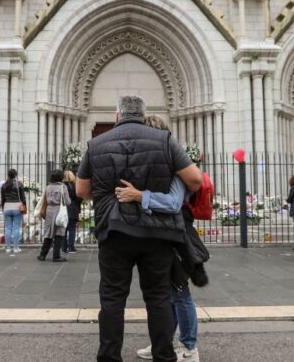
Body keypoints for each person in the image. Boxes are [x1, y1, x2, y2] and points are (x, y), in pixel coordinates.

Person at [76, 95, 203, 362]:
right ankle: (163, 355)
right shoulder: (164, 140)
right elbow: (194, 179)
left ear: (117, 115)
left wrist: (110, 194)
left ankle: (109, 356)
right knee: (157, 297)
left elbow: (81, 190)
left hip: (114, 230)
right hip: (157, 232)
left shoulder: (96, 143)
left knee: (112, 298)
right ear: (143, 114)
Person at [124, 114, 205, 362]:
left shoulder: (174, 164)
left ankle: (189, 348)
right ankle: (163, 342)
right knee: (166, 293)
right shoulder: (155, 163)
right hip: (160, 235)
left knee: (179, 292)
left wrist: (140, 196)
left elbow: (172, 203)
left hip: (176, 237)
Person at [37, 170, 72, 262]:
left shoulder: (48, 186)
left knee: (48, 233)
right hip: (59, 210)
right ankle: (56, 256)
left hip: (49, 210)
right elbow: (68, 202)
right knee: (59, 233)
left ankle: (42, 255)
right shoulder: (63, 187)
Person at [1, 169, 27, 254]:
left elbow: (3, 199)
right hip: (17, 207)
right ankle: (16, 248)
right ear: (15, 175)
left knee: (8, 228)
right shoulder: (19, 184)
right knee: (16, 228)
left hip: (7, 207)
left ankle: (8, 248)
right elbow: (23, 198)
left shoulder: (4, 185)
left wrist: (3, 208)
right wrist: (24, 206)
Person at [63, 170, 81, 254]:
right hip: (73, 208)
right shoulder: (75, 185)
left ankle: (63, 248)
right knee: (72, 229)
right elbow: (79, 197)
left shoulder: (62, 186)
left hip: (63, 208)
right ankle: (71, 247)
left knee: (63, 229)